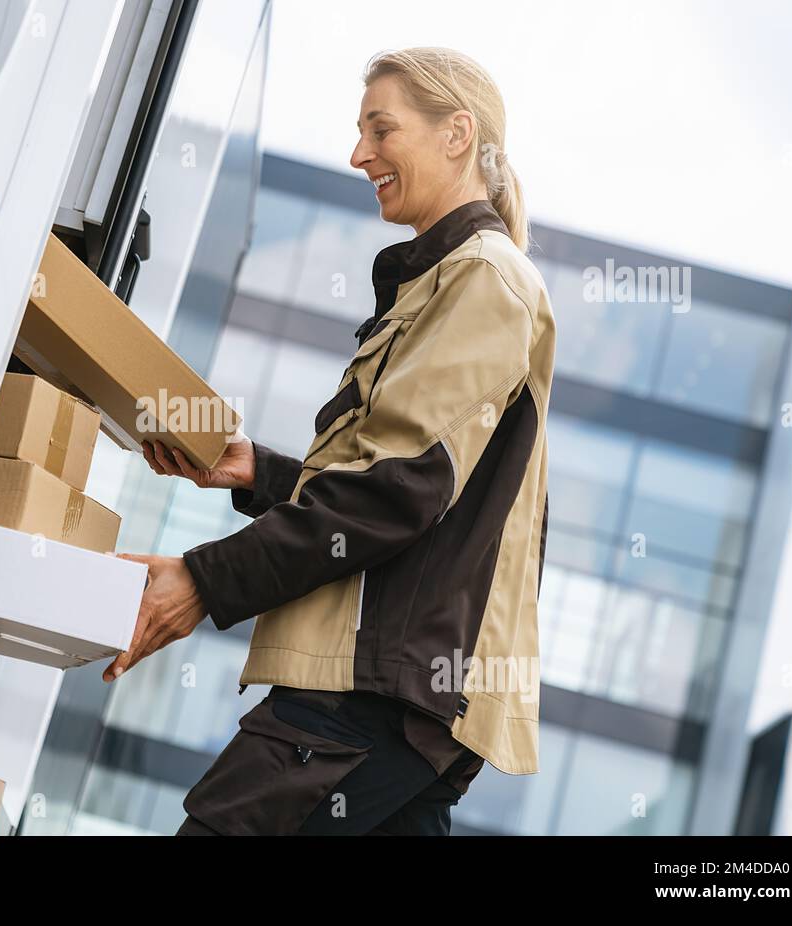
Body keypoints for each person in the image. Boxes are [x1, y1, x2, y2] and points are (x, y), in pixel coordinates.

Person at [103, 47, 556, 836]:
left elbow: (395, 491)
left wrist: (208, 581)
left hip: (366, 702)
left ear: (458, 133)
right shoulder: (451, 280)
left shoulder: (485, 278)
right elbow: (410, 485)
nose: (359, 155)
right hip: (404, 709)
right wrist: (264, 474)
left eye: (381, 129)